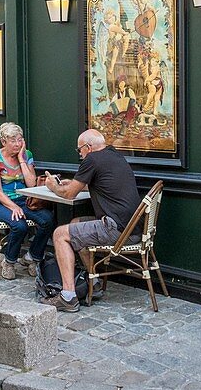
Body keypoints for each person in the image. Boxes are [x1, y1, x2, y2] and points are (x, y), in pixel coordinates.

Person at [40, 129, 142, 313]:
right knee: (74, 223)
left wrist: (54, 186)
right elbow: (95, 183)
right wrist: (72, 182)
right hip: (133, 229)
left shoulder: (92, 159)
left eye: (79, 150)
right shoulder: (114, 155)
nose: (80, 154)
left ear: (88, 147)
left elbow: (70, 194)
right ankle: (93, 283)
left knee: (59, 234)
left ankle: (68, 297)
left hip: (115, 230)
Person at [0, 122, 53, 280]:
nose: (17, 144)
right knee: (19, 225)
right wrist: (13, 206)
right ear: (3, 141)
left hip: (23, 200)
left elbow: (31, 184)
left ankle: (32, 258)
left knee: (47, 219)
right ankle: (9, 261)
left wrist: (22, 159)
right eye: (13, 140)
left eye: (20, 140)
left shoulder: (27, 154)